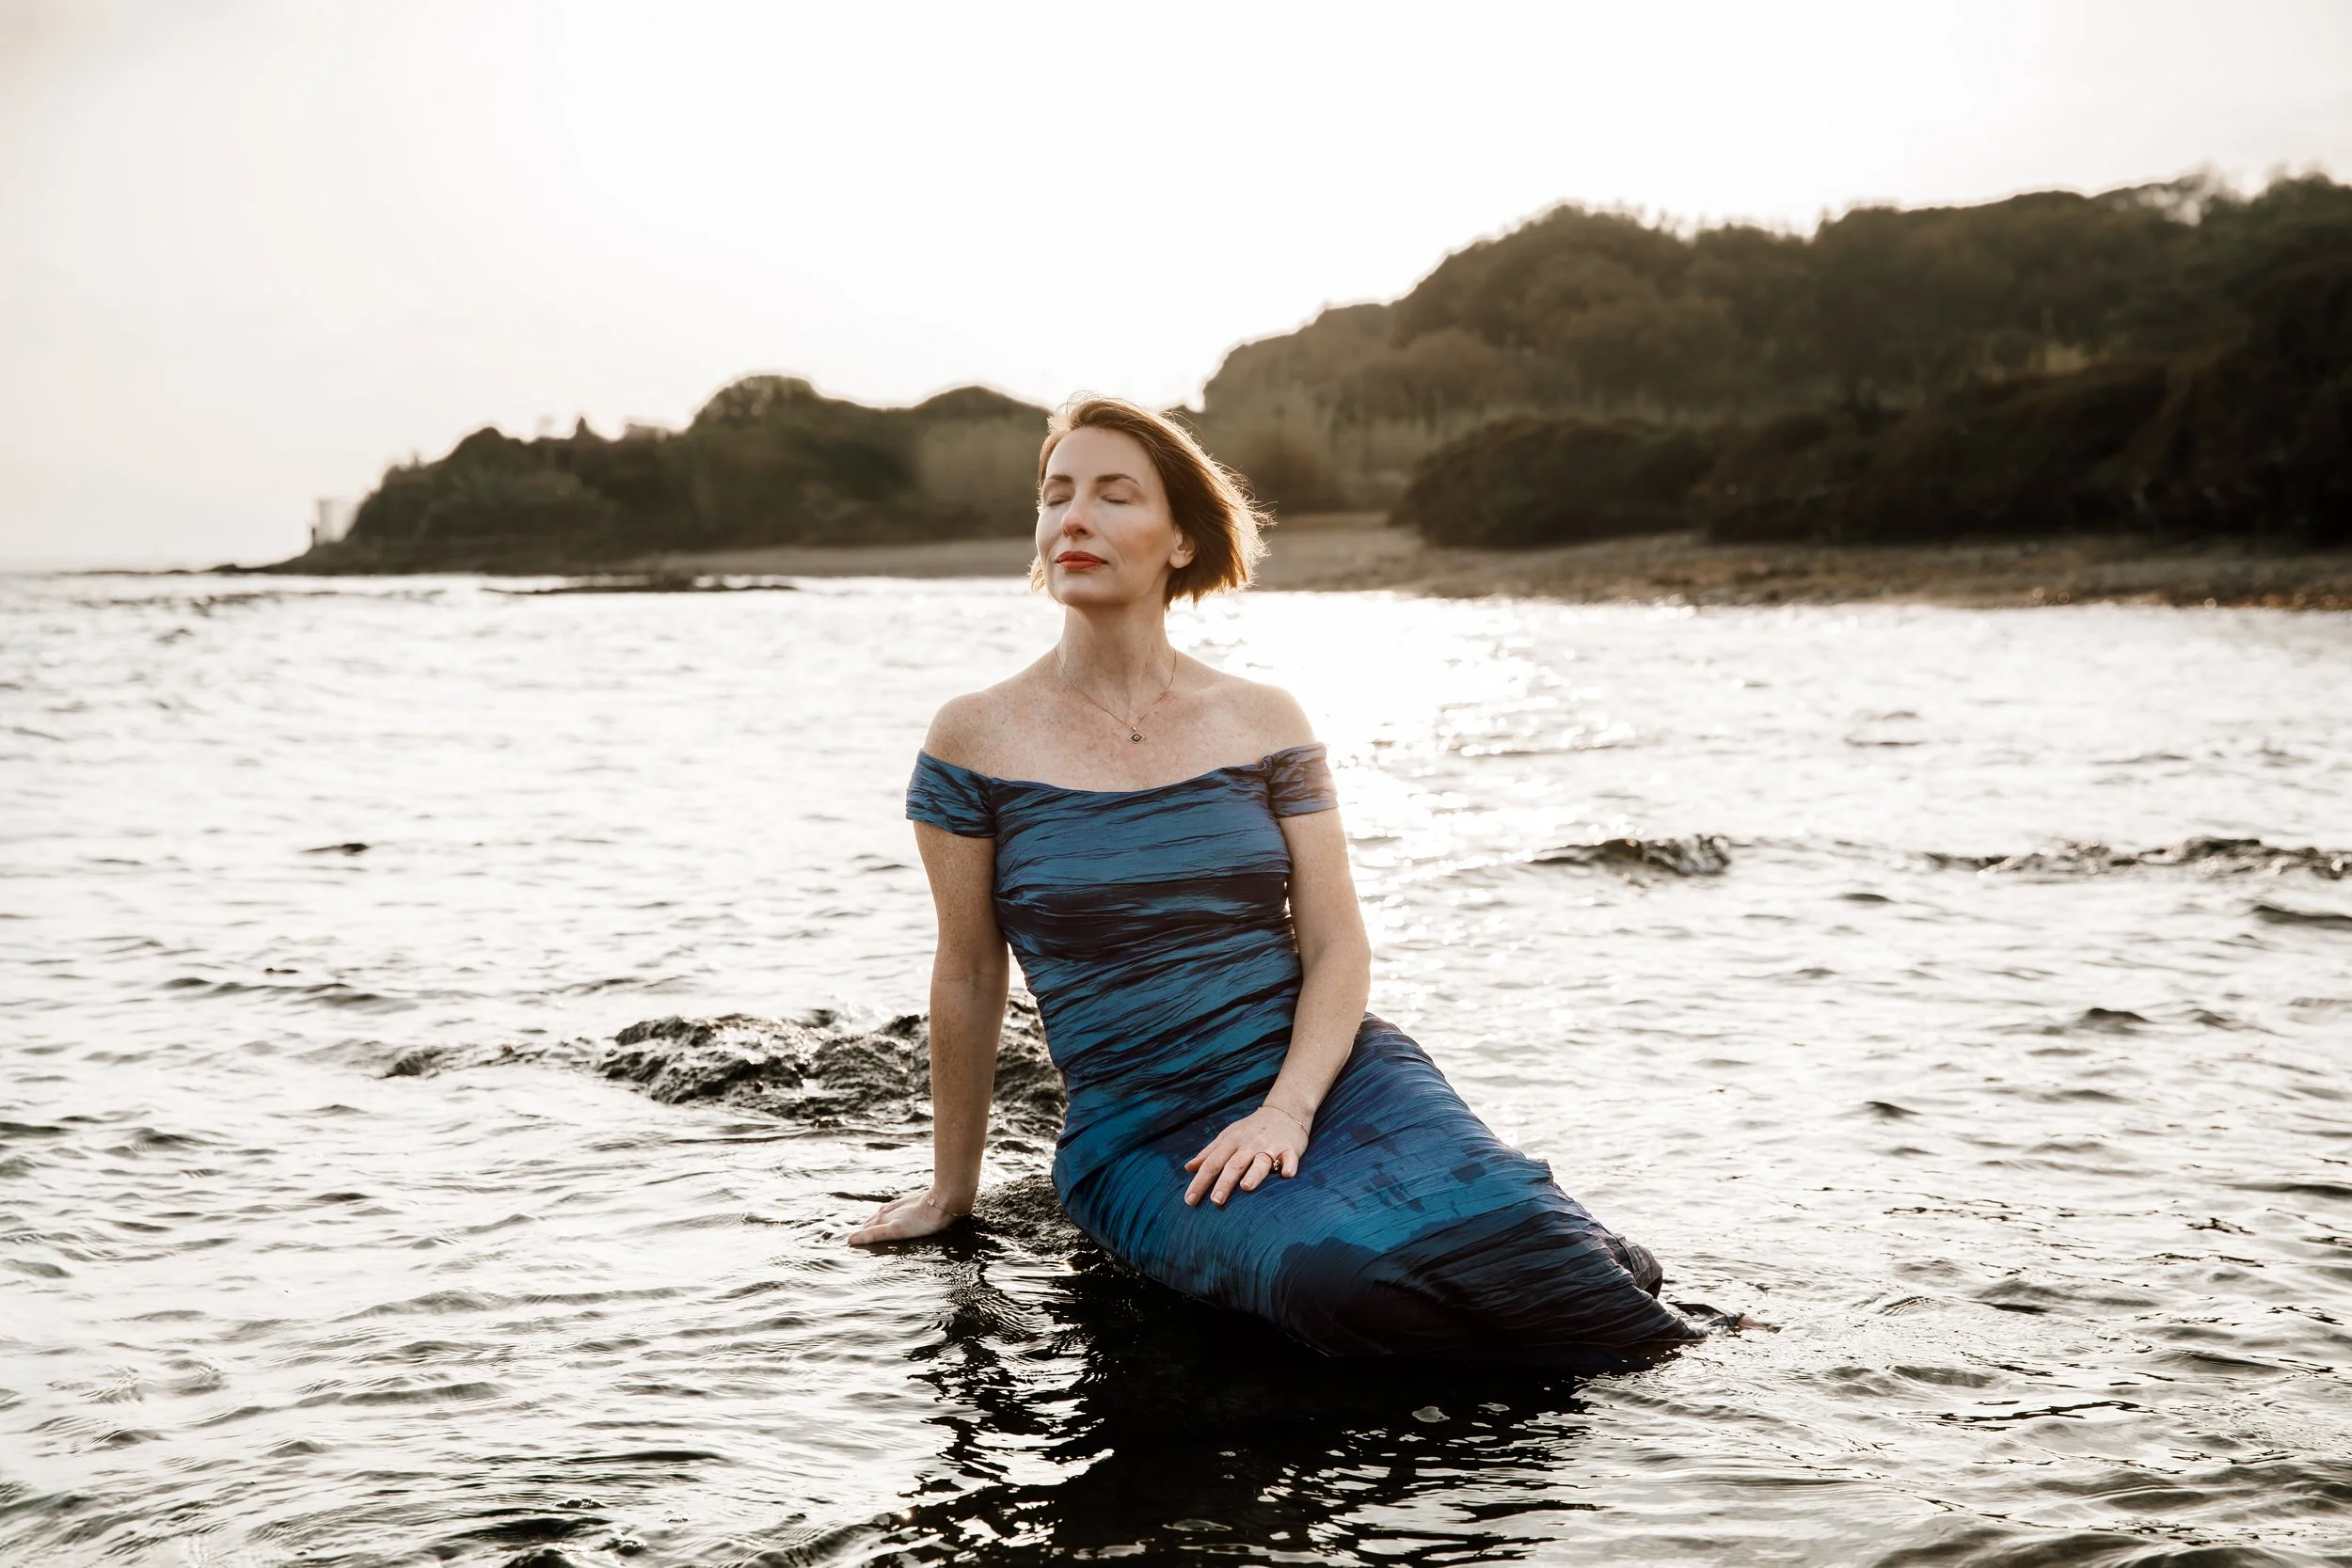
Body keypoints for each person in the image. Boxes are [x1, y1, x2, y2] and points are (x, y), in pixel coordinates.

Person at [849, 397, 1702, 1364]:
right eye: (1055, 496)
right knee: (1341, 1288)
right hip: (1141, 1131)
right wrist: (949, 1191)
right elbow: (966, 971)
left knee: (1562, 1277)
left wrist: (1286, 1108)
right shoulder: (974, 736)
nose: (1072, 518)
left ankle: (1573, 1261)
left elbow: (1335, 940)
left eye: (1113, 495)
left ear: (1179, 542)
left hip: (1331, 1074)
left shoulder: (1261, 717)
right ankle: (1558, 1249)